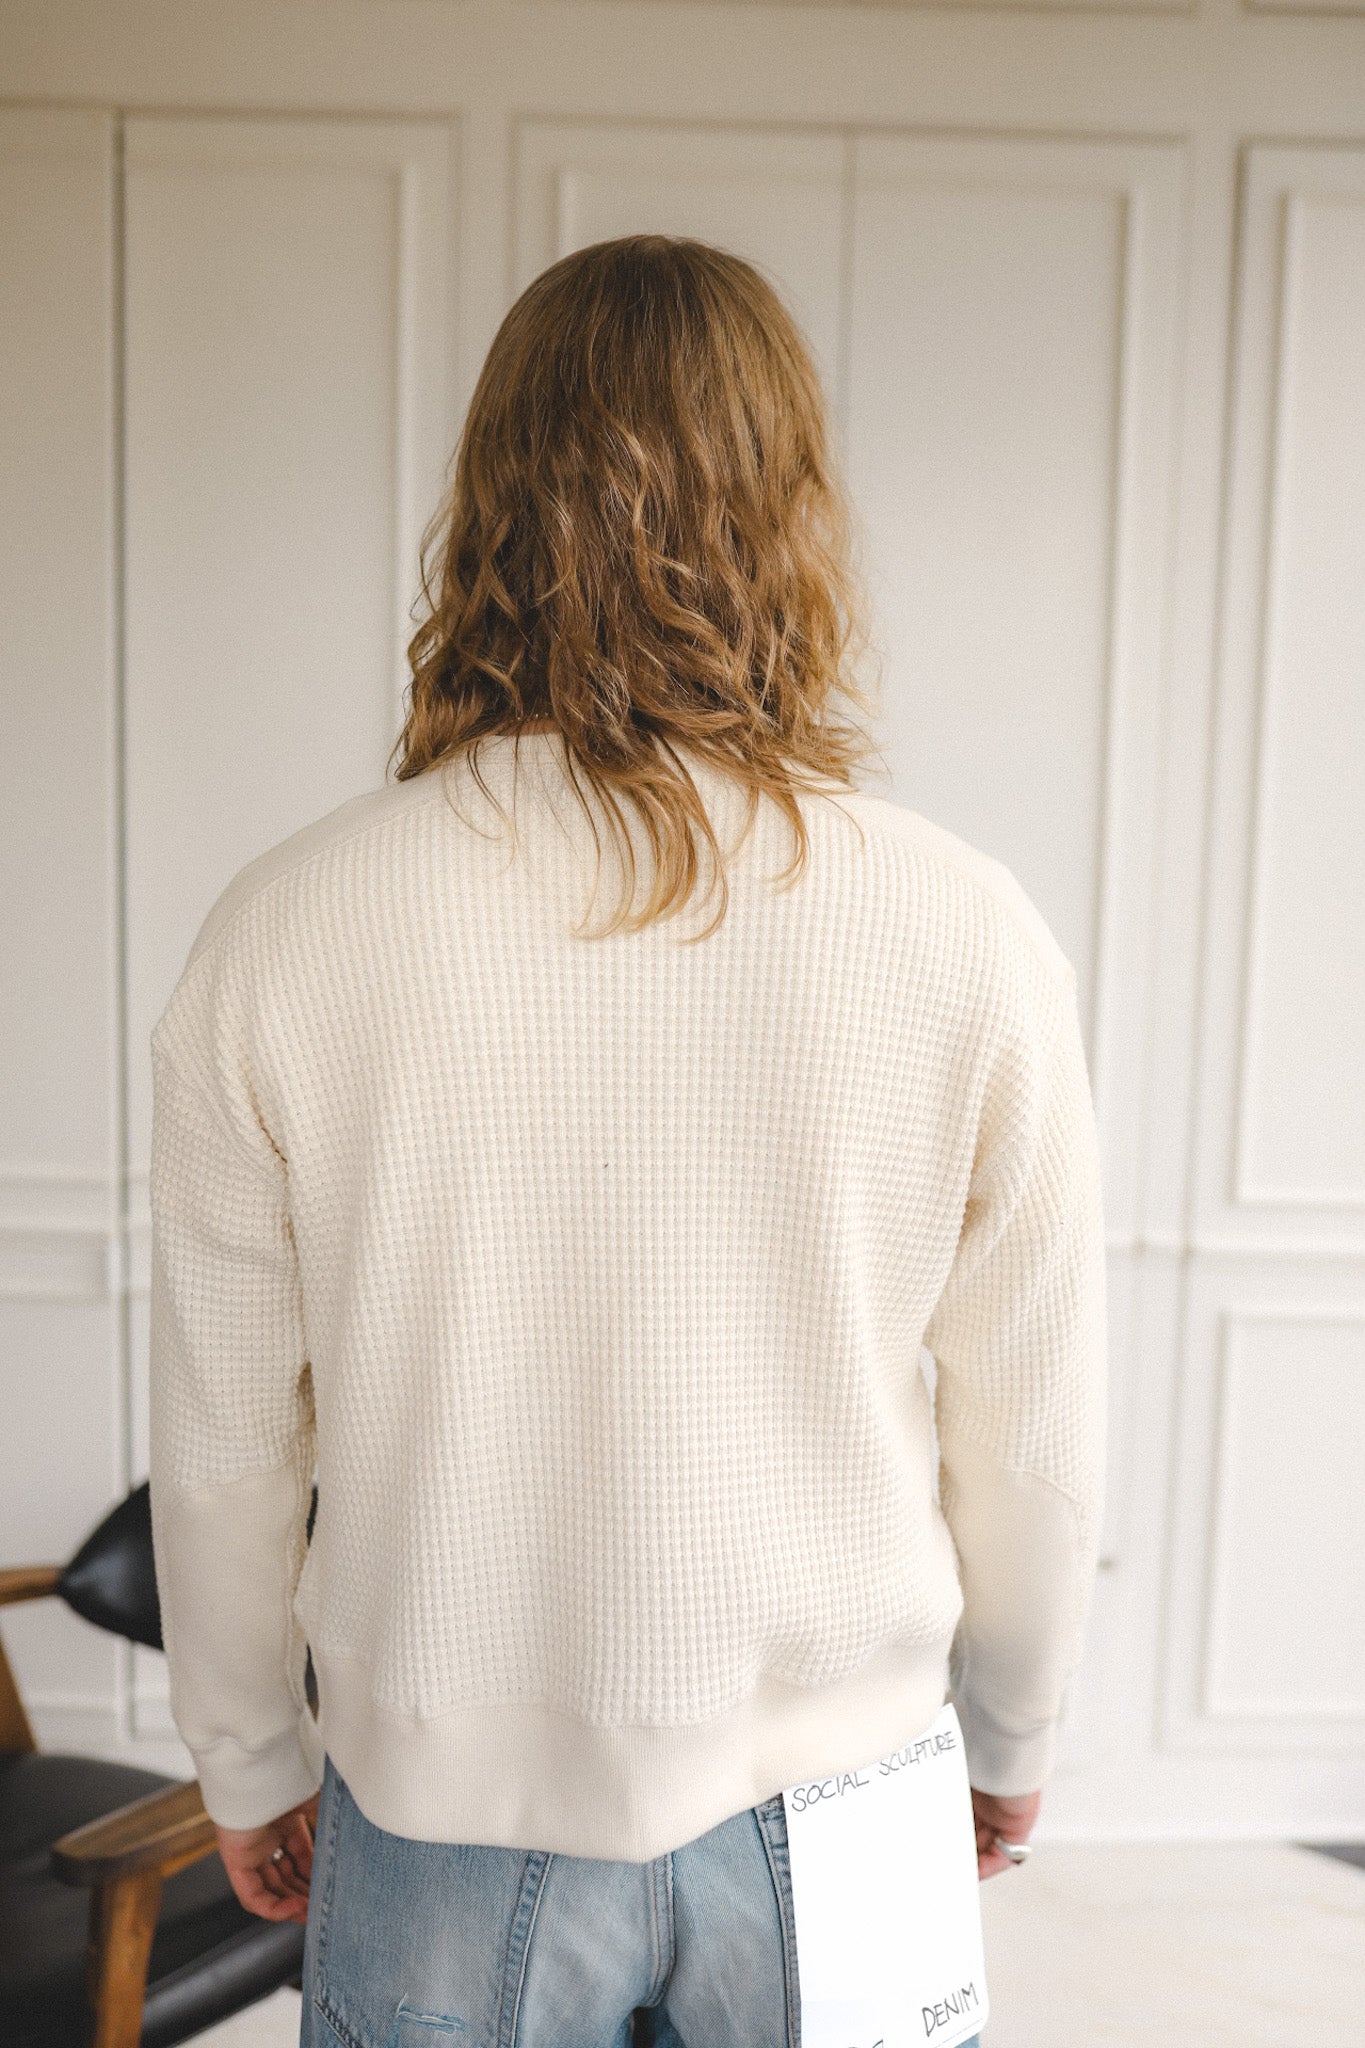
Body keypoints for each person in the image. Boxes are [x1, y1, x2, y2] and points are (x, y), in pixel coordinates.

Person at [147, 234, 1106, 2048]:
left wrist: (249, 1753)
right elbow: (1031, 1430)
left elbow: (220, 1447)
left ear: (489, 499)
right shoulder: (960, 928)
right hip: (849, 1800)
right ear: (795, 512)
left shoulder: (285, 929)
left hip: (444, 1810)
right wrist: (1014, 1728)